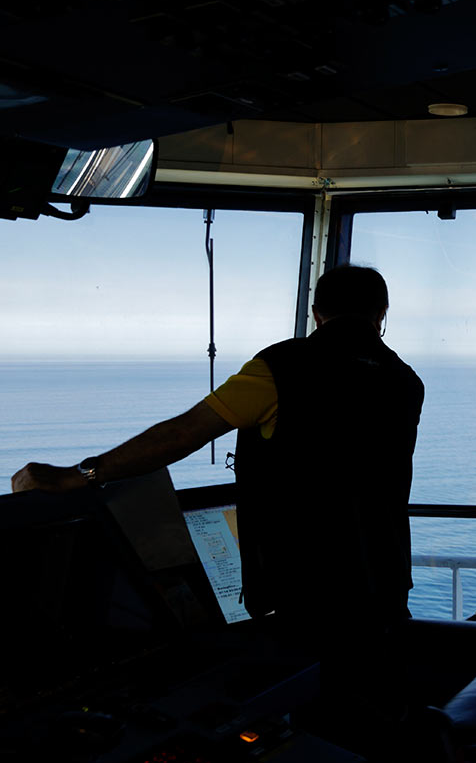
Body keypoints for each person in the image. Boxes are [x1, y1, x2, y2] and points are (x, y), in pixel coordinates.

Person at [10, 263, 425, 636]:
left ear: (317, 313)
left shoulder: (281, 368)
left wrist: (80, 475)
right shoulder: (406, 382)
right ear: (381, 316)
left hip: (306, 590)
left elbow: (183, 434)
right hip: (383, 581)